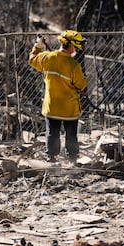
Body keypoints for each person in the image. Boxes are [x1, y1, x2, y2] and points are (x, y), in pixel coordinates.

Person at [28, 29, 88, 163]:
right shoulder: (73, 65)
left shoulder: (46, 57)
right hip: (69, 109)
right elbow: (81, 85)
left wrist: (38, 45)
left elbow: (32, 60)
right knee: (71, 134)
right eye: (76, 46)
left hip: (52, 107)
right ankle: (72, 159)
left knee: (52, 133)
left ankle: (51, 157)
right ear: (71, 46)